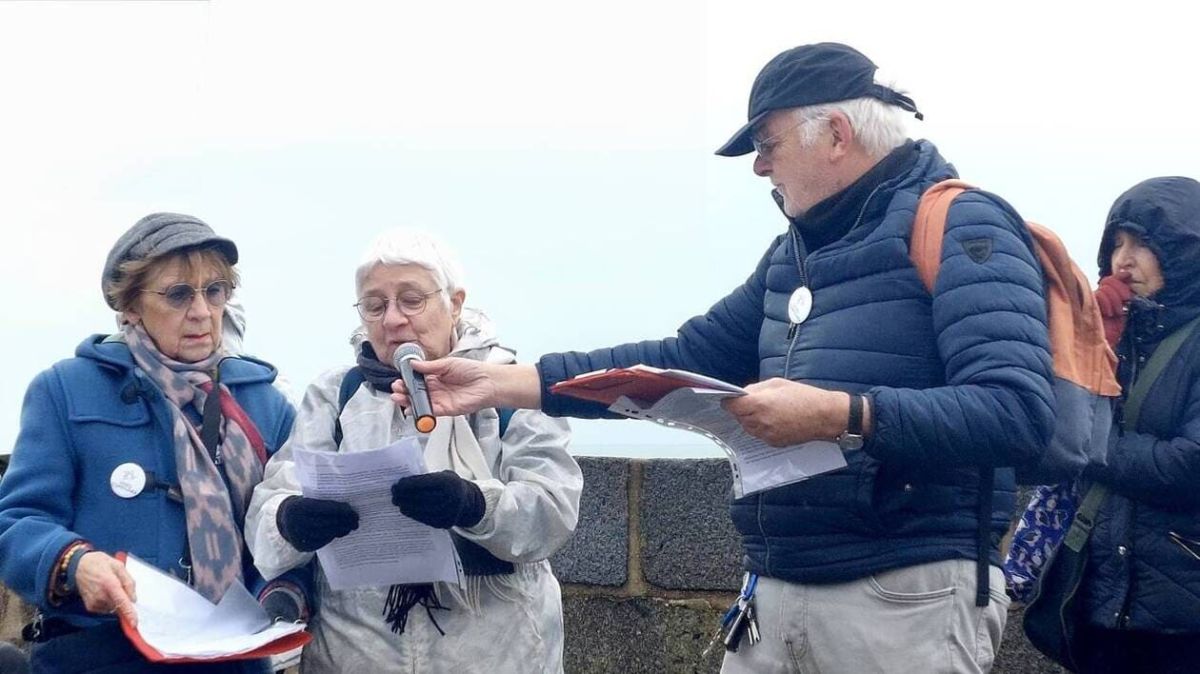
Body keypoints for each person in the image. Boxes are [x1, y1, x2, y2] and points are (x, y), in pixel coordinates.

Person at [397, 42, 1056, 673]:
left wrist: (839, 414)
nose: (759, 167)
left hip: (904, 594)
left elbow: (1018, 412)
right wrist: (498, 383)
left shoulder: (967, 224)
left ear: (834, 133)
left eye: (767, 145)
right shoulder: (792, 254)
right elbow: (682, 358)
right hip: (774, 586)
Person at [244, 228, 582, 674]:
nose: (393, 319)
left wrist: (475, 504)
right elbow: (269, 513)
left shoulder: (508, 388)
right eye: (375, 305)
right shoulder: (336, 395)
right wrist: (291, 522)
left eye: (411, 299)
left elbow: (554, 512)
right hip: (355, 655)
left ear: (455, 303)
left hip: (498, 654)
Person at [0, 213, 308, 673]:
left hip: (235, 663)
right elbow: (17, 522)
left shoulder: (267, 406)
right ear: (130, 306)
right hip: (96, 658)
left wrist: (285, 593)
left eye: (214, 291)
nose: (202, 311)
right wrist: (73, 563)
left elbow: (289, 538)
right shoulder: (64, 390)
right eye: (179, 294)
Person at [1070, 177, 1200, 674]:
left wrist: (1090, 445)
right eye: (1116, 244)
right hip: (1105, 601)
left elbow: (1189, 466)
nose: (1123, 260)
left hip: (1184, 616)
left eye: (1144, 244)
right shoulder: (1113, 339)